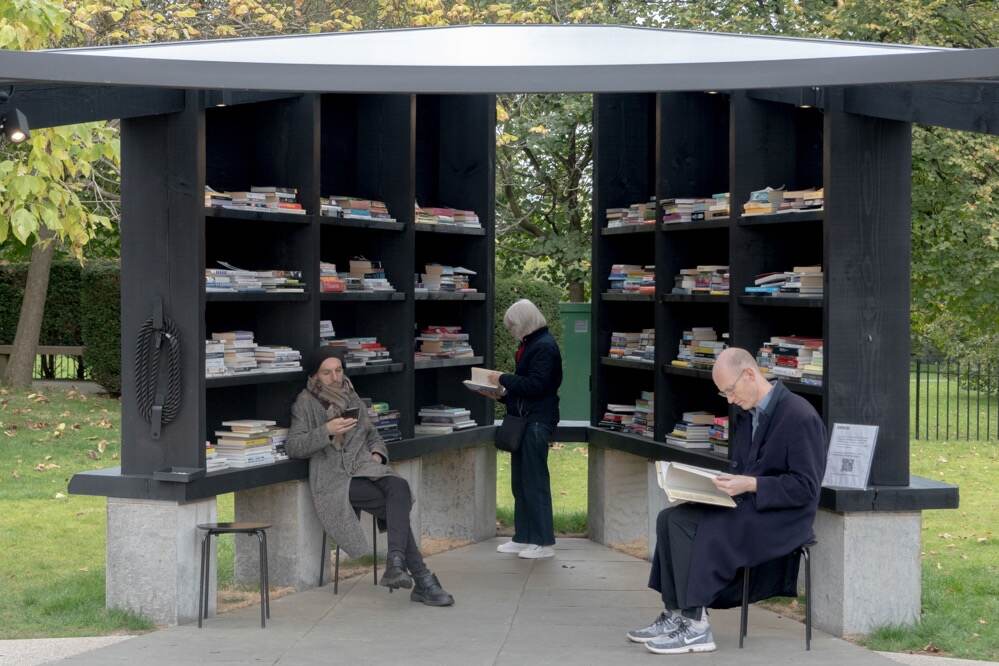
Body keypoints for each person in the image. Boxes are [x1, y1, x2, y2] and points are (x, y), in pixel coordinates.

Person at [628, 347, 827, 655]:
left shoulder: (800, 416)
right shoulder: (750, 413)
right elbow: (745, 468)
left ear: (750, 374)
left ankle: (696, 625)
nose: (731, 400)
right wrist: (711, 486)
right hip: (750, 503)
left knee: (701, 527)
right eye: (725, 395)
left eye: (731, 391)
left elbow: (806, 488)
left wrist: (750, 483)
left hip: (783, 517)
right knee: (670, 519)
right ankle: (676, 612)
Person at [287, 346, 454, 606]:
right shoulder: (305, 403)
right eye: (327, 372)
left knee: (399, 487)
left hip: (365, 468)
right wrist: (327, 430)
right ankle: (420, 579)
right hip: (335, 480)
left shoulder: (351, 396)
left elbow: (373, 434)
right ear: (316, 376)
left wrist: (377, 454)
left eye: (338, 370)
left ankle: (398, 564)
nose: (334, 377)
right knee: (394, 505)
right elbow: (294, 446)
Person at [484, 299, 563, 560]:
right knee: (520, 481)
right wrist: (501, 395)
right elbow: (527, 390)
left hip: (537, 422)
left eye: (513, 326)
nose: (512, 331)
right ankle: (523, 536)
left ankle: (543, 541)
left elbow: (537, 386)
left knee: (535, 481)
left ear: (525, 322)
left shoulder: (544, 347)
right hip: (526, 419)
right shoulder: (530, 344)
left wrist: (502, 378)